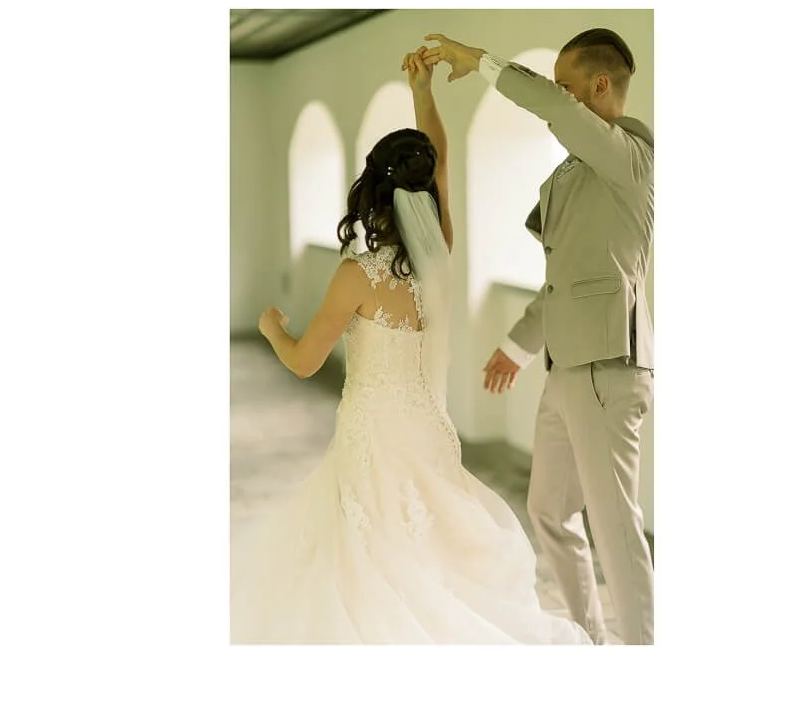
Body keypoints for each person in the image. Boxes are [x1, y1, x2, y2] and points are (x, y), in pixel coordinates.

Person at [230, 50, 590, 644]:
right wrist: (423, 91)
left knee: (369, 554)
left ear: (371, 191)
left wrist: (270, 324)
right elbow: (440, 160)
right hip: (426, 427)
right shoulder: (438, 255)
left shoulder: (358, 275)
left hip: (372, 433)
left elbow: (302, 362)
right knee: (428, 551)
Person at [422, 29, 654, 645]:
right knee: (549, 510)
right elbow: (563, 282)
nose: (560, 98)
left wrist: (480, 59)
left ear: (600, 87)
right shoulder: (570, 178)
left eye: (568, 87)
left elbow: (553, 111)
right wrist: (518, 346)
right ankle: (590, 641)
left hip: (608, 368)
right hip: (564, 367)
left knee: (615, 528)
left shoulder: (631, 157)